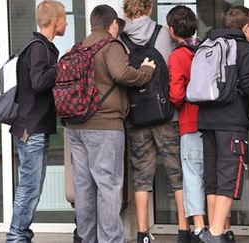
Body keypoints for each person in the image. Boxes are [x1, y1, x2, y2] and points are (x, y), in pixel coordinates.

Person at [66, 5, 155, 243]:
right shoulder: (110, 45)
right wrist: (145, 71)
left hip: (76, 127)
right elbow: (122, 74)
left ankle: (86, 238)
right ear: (113, 23)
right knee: (108, 187)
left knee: (84, 189)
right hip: (104, 126)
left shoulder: (79, 46)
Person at [121, 1, 188, 242]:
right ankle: (183, 230)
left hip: (136, 118)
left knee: (142, 175)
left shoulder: (121, 40)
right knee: (176, 173)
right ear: (149, 9)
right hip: (166, 115)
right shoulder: (163, 34)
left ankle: (142, 232)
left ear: (125, 12)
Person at [5, 1, 67, 242]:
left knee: (31, 186)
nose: (67, 23)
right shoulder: (39, 47)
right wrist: (60, 68)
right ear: (56, 22)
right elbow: (39, 81)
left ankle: (19, 234)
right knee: (29, 187)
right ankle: (16, 236)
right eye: (65, 19)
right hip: (31, 129)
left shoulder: (42, 46)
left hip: (32, 127)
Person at [197, 6, 249, 243]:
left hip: (206, 120)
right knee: (228, 179)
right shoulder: (243, 49)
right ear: (246, 27)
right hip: (231, 122)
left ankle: (211, 232)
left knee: (212, 179)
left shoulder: (208, 44)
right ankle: (215, 234)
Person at [166, 5, 204, 243]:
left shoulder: (179, 55)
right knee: (213, 176)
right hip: (212, 122)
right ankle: (223, 227)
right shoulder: (205, 49)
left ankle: (199, 229)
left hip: (190, 123)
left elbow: (177, 95)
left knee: (192, 177)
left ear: (171, 30)